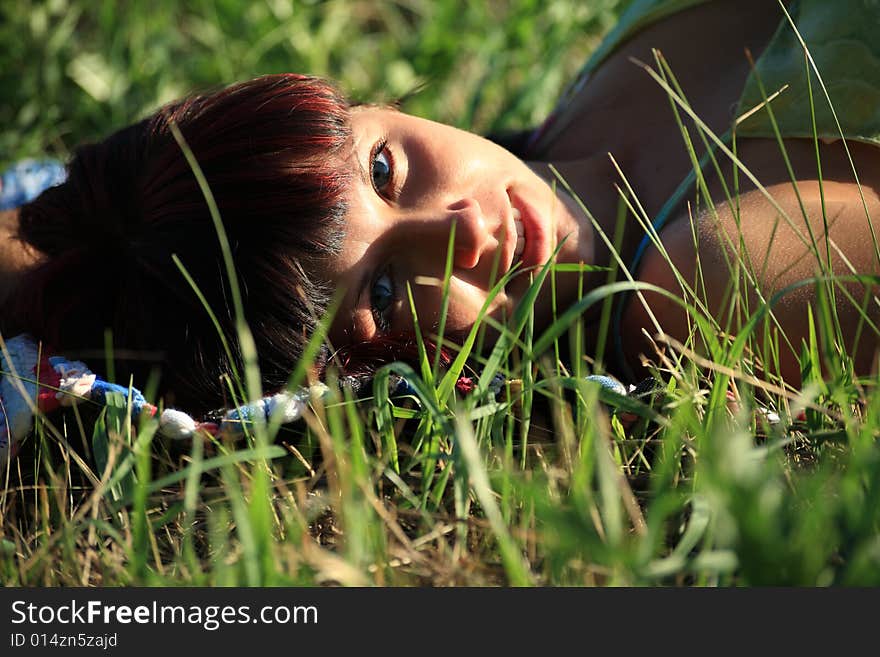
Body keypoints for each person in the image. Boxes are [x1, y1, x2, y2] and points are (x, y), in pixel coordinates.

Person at [2, 0, 879, 429]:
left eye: (384, 169)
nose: (462, 231)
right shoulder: (708, 281)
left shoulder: (587, 108)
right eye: (383, 291)